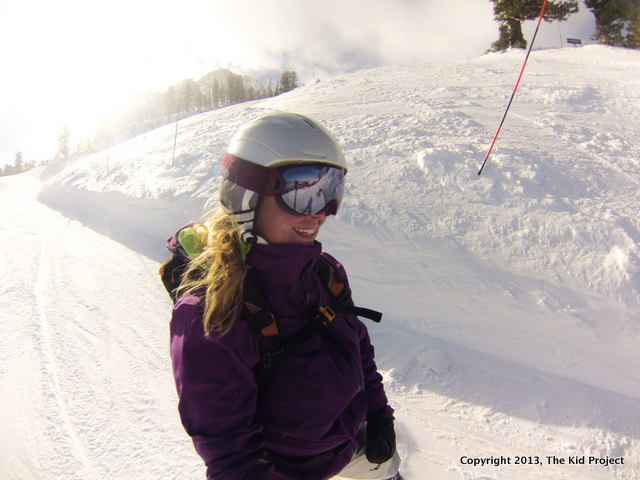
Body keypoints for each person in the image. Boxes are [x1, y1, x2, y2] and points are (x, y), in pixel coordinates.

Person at [168, 112, 403, 480]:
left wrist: (380, 417)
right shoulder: (210, 315)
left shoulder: (326, 272)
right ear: (247, 196)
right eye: (305, 192)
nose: (322, 212)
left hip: (354, 445)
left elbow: (358, 347)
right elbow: (234, 461)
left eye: (331, 191)